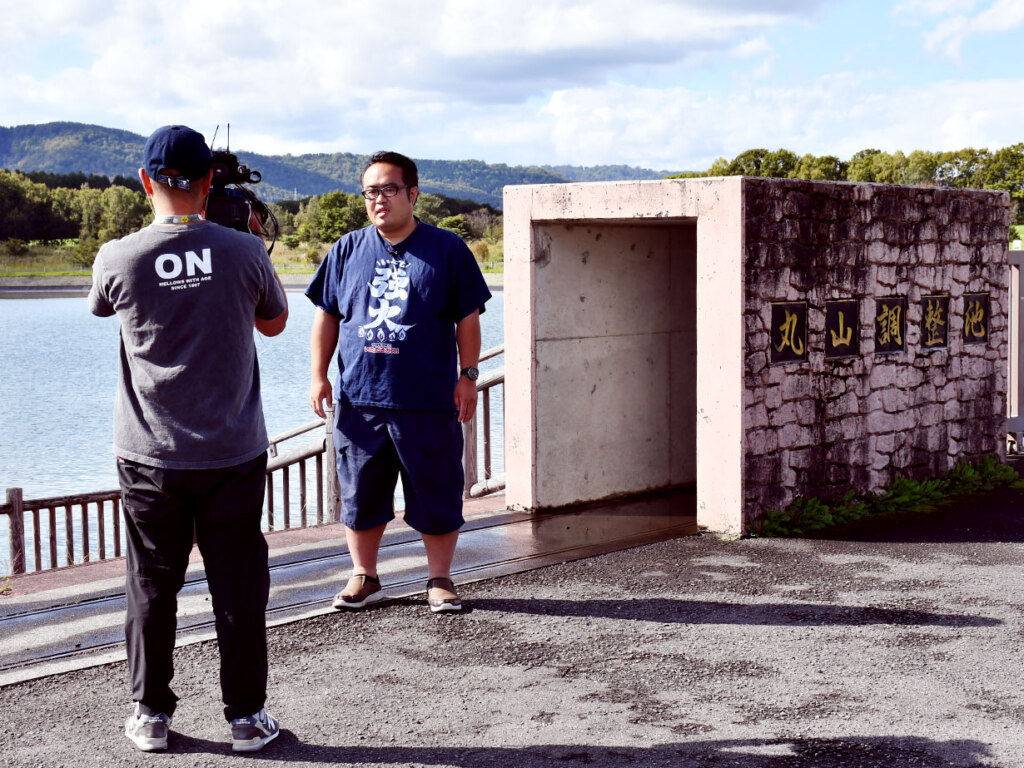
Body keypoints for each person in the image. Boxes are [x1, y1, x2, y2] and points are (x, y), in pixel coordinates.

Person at [88, 125, 288, 753]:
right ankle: (247, 719)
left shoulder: (116, 256)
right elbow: (275, 323)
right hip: (231, 449)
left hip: (149, 453)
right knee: (237, 582)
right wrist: (247, 245)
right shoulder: (244, 250)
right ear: (209, 183)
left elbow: (105, 308)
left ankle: (150, 714)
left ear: (145, 181)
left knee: (151, 581)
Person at [306, 150, 491, 614]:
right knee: (360, 491)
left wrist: (468, 375)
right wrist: (318, 375)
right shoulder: (346, 249)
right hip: (360, 399)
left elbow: (467, 317)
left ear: (412, 193)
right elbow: (326, 317)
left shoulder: (446, 248)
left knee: (437, 490)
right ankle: (364, 577)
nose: (379, 200)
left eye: (389, 189)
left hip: (426, 398)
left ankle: (440, 578)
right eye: (371, 191)